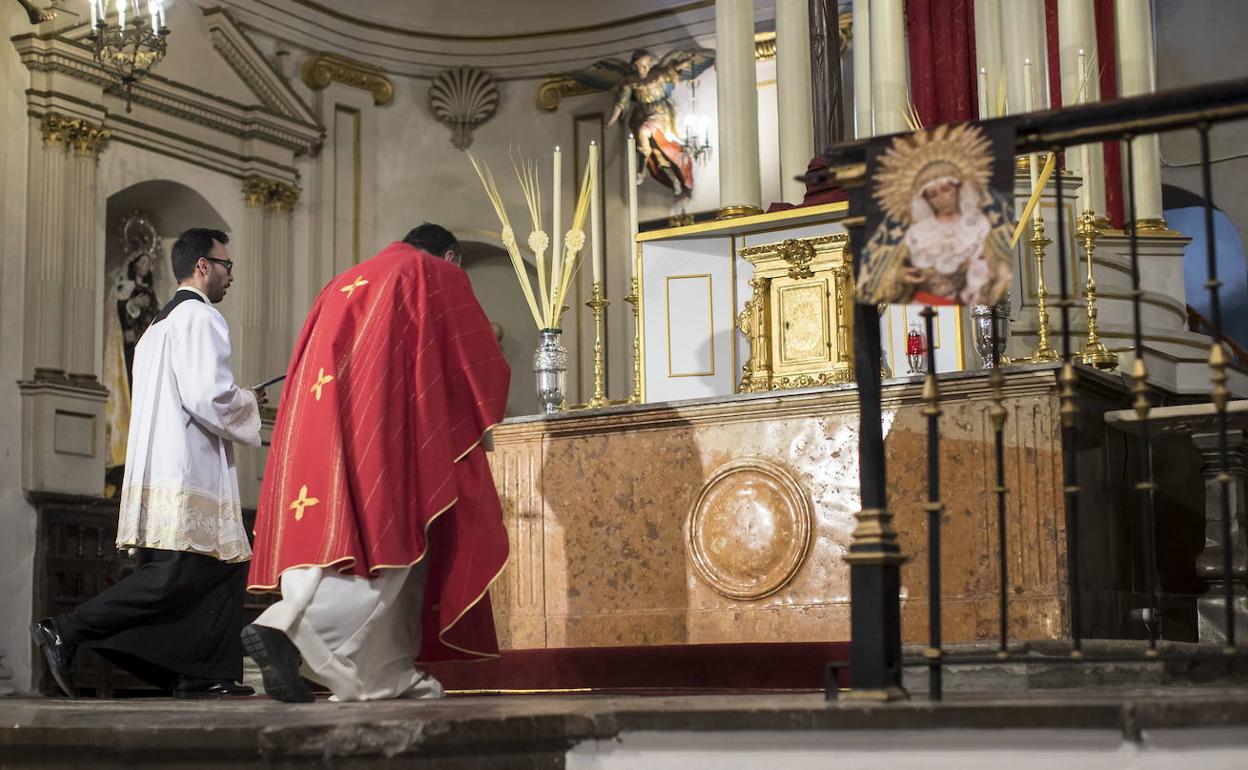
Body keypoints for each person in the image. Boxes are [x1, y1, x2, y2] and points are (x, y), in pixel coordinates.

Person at [243, 223, 510, 703]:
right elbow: (477, 355)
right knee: (392, 539)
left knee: (342, 545)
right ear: (449, 256)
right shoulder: (432, 272)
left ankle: (384, 675)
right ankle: (287, 628)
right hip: (391, 422)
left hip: (321, 427)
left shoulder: (343, 282)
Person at [31, 228, 266, 698]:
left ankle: (199, 673)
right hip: (188, 473)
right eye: (227, 266)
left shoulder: (158, 327)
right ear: (203, 266)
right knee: (172, 577)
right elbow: (207, 397)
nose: (230, 277)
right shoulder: (200, 319)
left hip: (159, 471)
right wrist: (248, 401)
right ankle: (67, 628)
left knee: (215, 569)